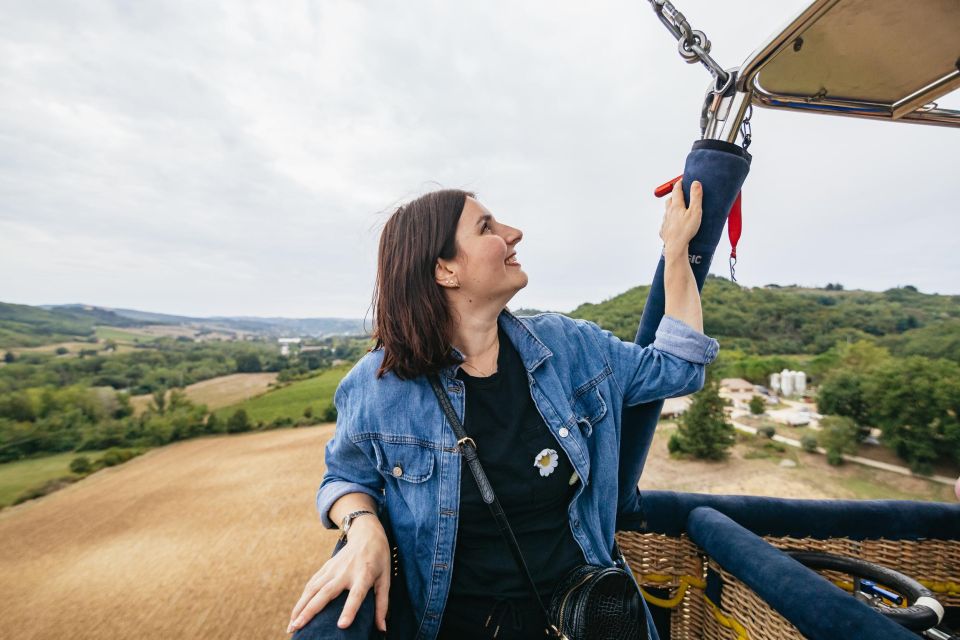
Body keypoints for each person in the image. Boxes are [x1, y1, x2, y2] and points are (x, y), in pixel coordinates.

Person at [288, 180, 719, 639]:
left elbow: (679, 368)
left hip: (586, 620)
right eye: (487, 227)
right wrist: (362, 527)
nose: (514, 233)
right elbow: (345, 478)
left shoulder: (571, 347)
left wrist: (675, 250)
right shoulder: (379, 386)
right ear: (445, 270)